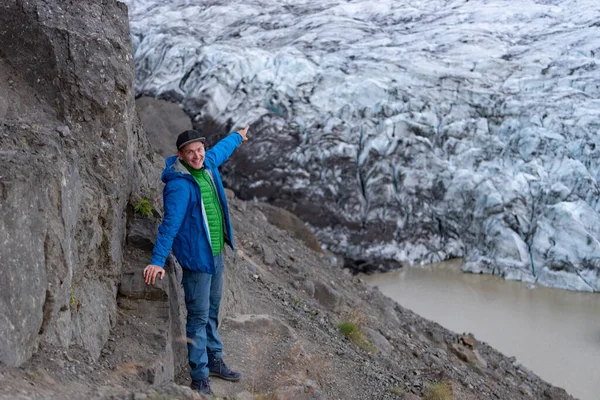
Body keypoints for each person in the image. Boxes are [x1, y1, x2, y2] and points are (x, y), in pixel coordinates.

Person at [143, 126, 249, 395]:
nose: (197, 156)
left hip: (216, 254)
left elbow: (220, 151)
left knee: (212, 310)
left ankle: (214, 359)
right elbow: (169, 226)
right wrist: (157, 260)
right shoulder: (179, 186)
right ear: (180, 155)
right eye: (190, 152)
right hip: (198, 261)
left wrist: (238, 136)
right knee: (199, 316)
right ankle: (199, 376)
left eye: (199, 150)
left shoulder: (208, 165)